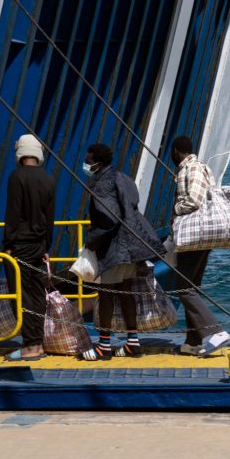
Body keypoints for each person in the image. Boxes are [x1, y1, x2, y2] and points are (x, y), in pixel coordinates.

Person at [79, 143, 164, 361]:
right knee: (126, 292)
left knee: (106, 294)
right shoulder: (122, 178)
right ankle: (132, 343)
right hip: (131, 246)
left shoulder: (102, 184)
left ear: (97, 163)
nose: (86, 165)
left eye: (88, 162)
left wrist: (91, 240)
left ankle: (104, 346)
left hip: (115, 249)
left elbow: (110, 218)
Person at [170, 135, 230, 355]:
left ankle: (215, 331)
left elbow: (194, 200)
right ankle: (193, 341)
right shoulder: (202, 167)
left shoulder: (192, 168)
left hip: (194, 237)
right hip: (202, 237)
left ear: (176, 151)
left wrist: (175, 210)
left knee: (183, 287)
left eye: (171, 152)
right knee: (192, 287)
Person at [4, 135, 55, 361]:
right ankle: (39, 343)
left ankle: (30, 345)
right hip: (39, 245)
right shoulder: (47, 178)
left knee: (20, 295)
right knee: (36, 294)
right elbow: (50, 218)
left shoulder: (17, 177)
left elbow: (13, 214)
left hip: (20, 246)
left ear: (20, 153)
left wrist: (7, 245)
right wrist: (46, 246)